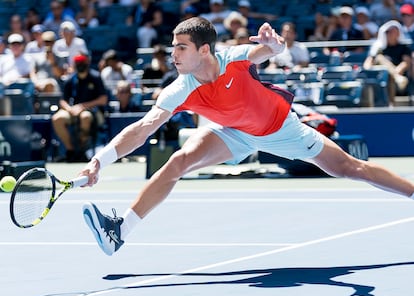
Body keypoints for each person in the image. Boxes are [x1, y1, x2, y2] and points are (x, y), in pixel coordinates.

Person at [79, 17, 414, 256]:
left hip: (280, 129)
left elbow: (266, 52)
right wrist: (99, 160)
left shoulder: (233, 59)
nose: (174, 54)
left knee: (350, 168)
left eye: (181, 47)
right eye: (173, 48)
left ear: (205, 50)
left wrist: (274, 44)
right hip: (232, 133)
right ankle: (120, 231)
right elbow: (142, 128)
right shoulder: (179, 88)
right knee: (178, 161)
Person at [52, 53, 108, 162]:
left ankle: (82, 150)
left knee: (85, 117)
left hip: (93, 111)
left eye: (82, 63)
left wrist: (83, 106)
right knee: (57, 119)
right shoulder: (70, 80)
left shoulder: (95, 77)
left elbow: (103, 99)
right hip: (73, 111)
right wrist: (70, 109)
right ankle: (71, 151)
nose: (80, 65)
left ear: (87, 63)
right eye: (78, 63)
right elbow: (63, 100)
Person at [363, 20, 412, 106]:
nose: (392, 34)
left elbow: (406, 63)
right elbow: (367, 65)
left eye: (394, 31)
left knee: (388, 76)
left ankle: (391, 105)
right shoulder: (379, 49)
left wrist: (394, 72)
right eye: (389, 32)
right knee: (380, 58)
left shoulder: (404, 48)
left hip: (398, 82)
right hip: (382, 79)